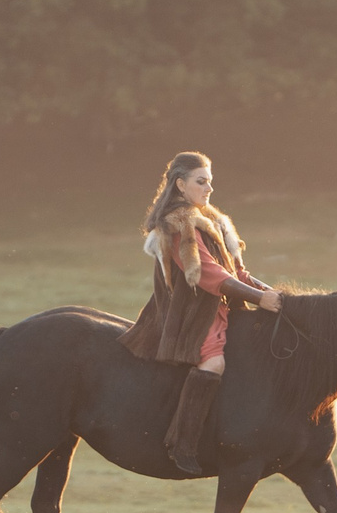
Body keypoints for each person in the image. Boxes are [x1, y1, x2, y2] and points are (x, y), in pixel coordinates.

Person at [119, 151, 282, 475]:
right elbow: (208, 274)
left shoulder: (212, 221)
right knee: (214, 362)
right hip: (189, 313)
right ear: (180, 185)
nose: (209, 188)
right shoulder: (179, 225)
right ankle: (182, 442)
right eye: (201, 181)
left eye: (210, 182)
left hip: (216, 305)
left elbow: (235, 272)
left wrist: (273, 294)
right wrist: (258, 299)